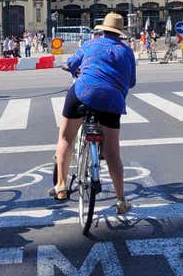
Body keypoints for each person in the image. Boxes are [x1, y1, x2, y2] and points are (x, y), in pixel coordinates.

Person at [51, 12, 137, 214]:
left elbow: (72, 63)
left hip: (84, 92)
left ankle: (61, 186)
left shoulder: (91, 44)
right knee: (113, 153)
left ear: (102, 29)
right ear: (120, 32)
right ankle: (121, 201)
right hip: (112, 100)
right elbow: (131, 82)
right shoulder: (126, 52)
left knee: (65, 138)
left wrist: (75, 70)